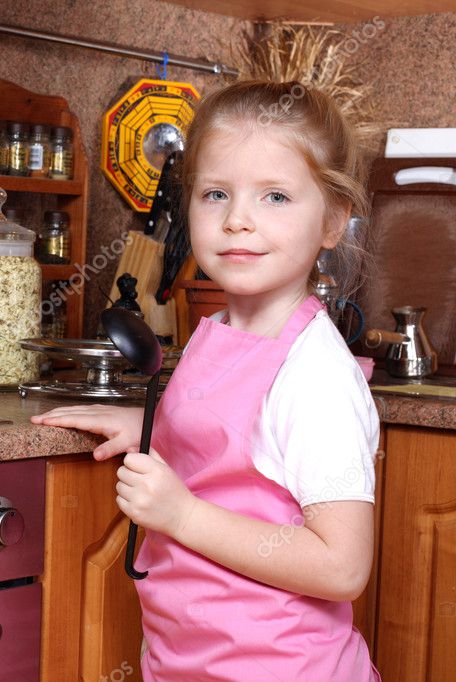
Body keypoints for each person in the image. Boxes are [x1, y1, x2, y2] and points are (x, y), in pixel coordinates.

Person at [31, 80, 381, 681]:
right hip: (191, 662)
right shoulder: (217, 329)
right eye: (216, 193)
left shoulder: (316, 376)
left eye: (275, 196)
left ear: (333, 220)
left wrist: (183, 517)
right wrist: (151, 428)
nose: (238, 220)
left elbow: (342, 566)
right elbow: (233, 454)